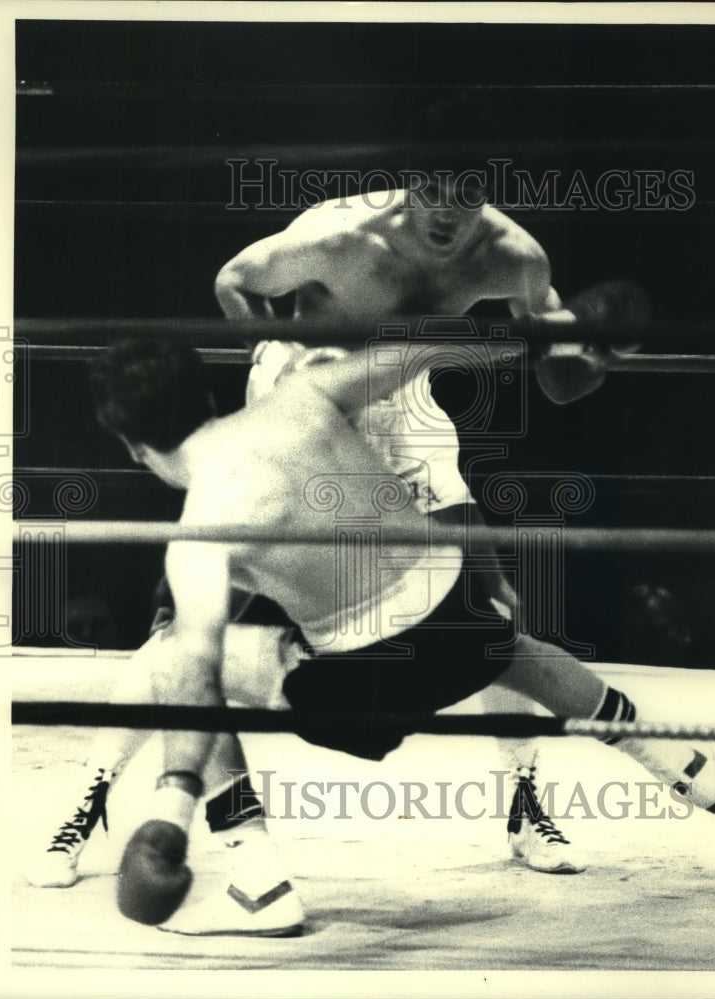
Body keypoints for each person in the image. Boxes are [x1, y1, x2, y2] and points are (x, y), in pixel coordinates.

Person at [56, 337, 715, 934]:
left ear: (131, 446)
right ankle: (677, 762)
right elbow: (420, 349)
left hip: (372, 685)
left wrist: (173, 801)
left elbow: (197, 671)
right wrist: (549, 339)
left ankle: (257, 881)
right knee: (508, 650)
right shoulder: (306, 394)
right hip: (457, 612)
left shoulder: (199, 534)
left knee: (176, 654)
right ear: (206, 391)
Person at [210, 169, 648, 873]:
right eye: (435, 196)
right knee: (198, 605)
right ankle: (172, 808)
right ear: (411, 189)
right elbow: (233, 278)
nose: (448, 216)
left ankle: (523, 804)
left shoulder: (514, 257)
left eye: (467, 201)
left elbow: (556, 377)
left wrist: (588, 348)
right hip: (301, 399)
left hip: (402, 398)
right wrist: (264, 358)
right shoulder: (337, 232)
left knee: (495, 599)